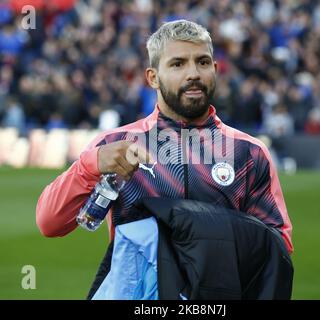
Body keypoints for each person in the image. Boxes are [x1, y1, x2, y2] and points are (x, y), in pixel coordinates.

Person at [36, 20, 293, 299]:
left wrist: (206, 229)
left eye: (203, 62)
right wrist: (90, 165)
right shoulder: (114, 146)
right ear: (152, 77)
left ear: (216, 70)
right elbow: (50, 223)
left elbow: (277, 248)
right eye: (178, 64)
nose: (193, 73)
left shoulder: (249, 152)